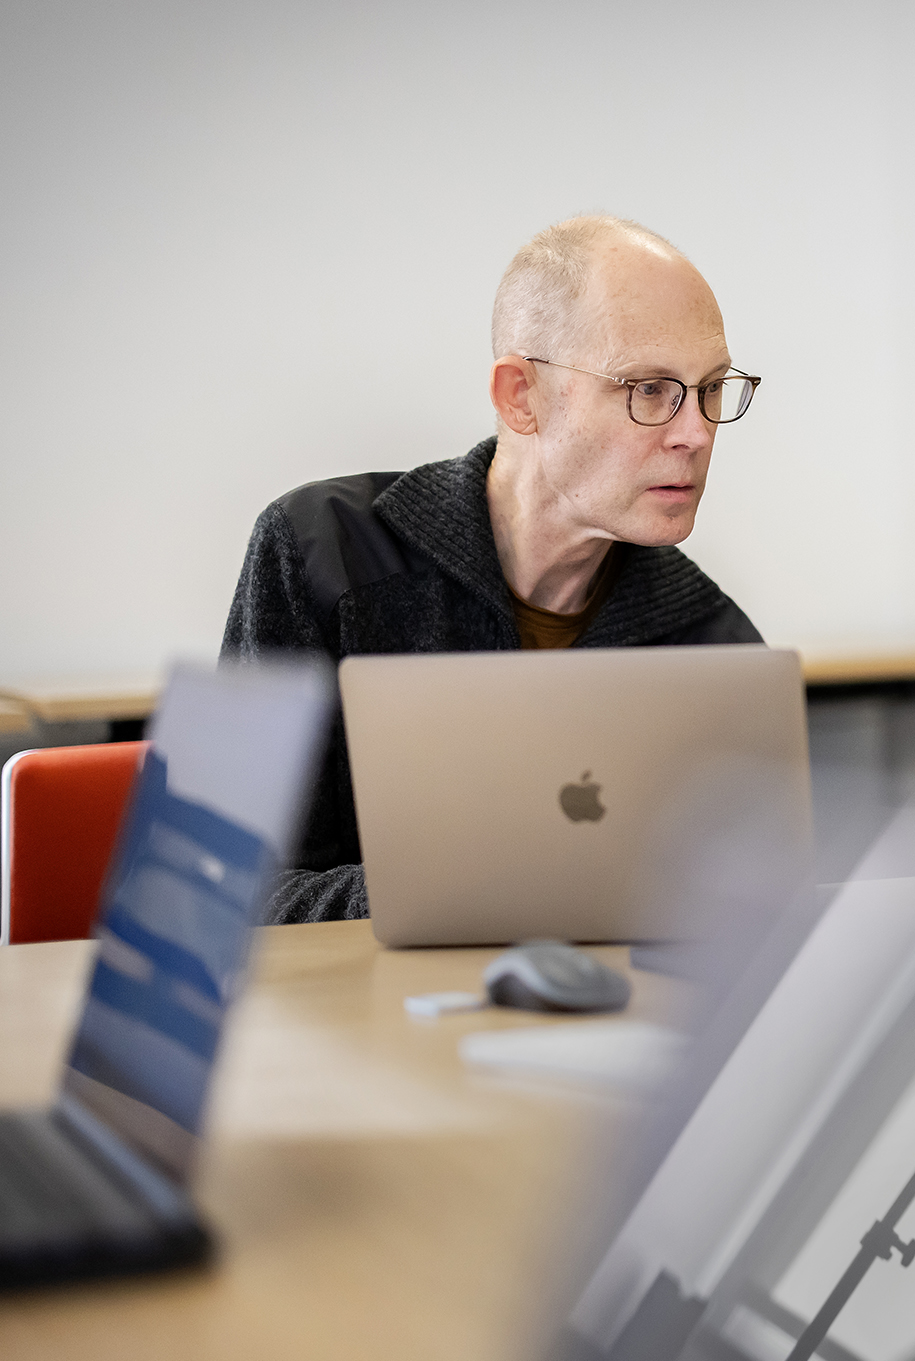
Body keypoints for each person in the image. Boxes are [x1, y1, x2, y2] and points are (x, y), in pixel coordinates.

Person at [223, 214, 763, 923]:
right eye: (649, 390)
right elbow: (210, 889)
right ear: (521, 397)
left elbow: (749, 915)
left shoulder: (713, 640)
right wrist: (446, 890)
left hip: (594, 1021)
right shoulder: (318, 551)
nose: (695, 433)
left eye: (712, 387)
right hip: (349, 1023)